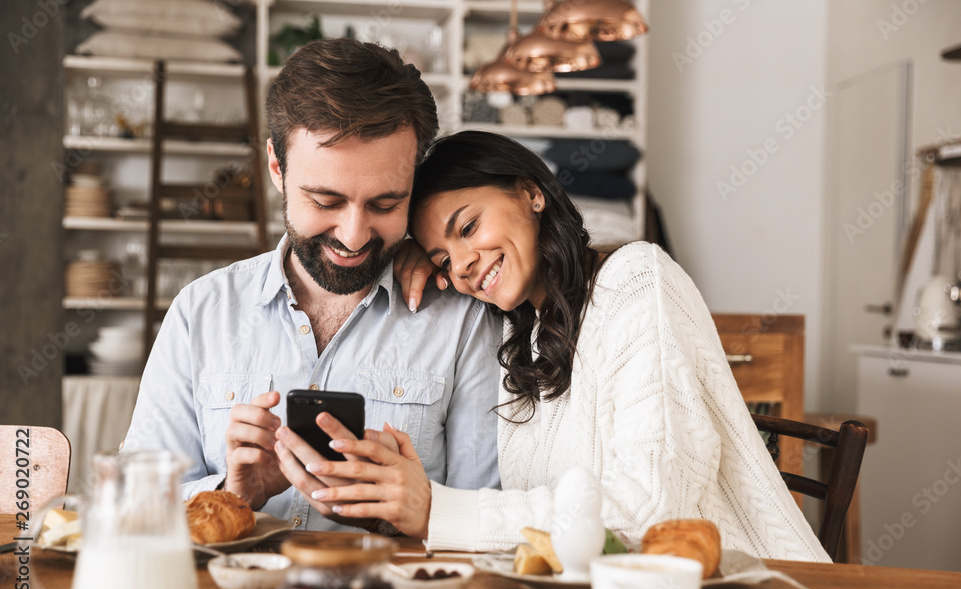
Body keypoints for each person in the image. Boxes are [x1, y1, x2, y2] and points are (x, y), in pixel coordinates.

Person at [277, 130, 830, 561]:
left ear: (530, 192)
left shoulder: (636, 280)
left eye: (467, 226)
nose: (462, 265)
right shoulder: (522, 333)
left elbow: (655, 509)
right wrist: (407, 255)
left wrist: (435, 509)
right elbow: (543, 522)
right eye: (443, 258)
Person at [123, 41, 502, 533]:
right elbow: (132, 506)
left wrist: (418, 507)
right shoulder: (201, 311)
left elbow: (488, 522)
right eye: (326, 200)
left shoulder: (465, 319)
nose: (354, 235)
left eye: (385, 205)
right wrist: (232, 497)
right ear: (277, 168)